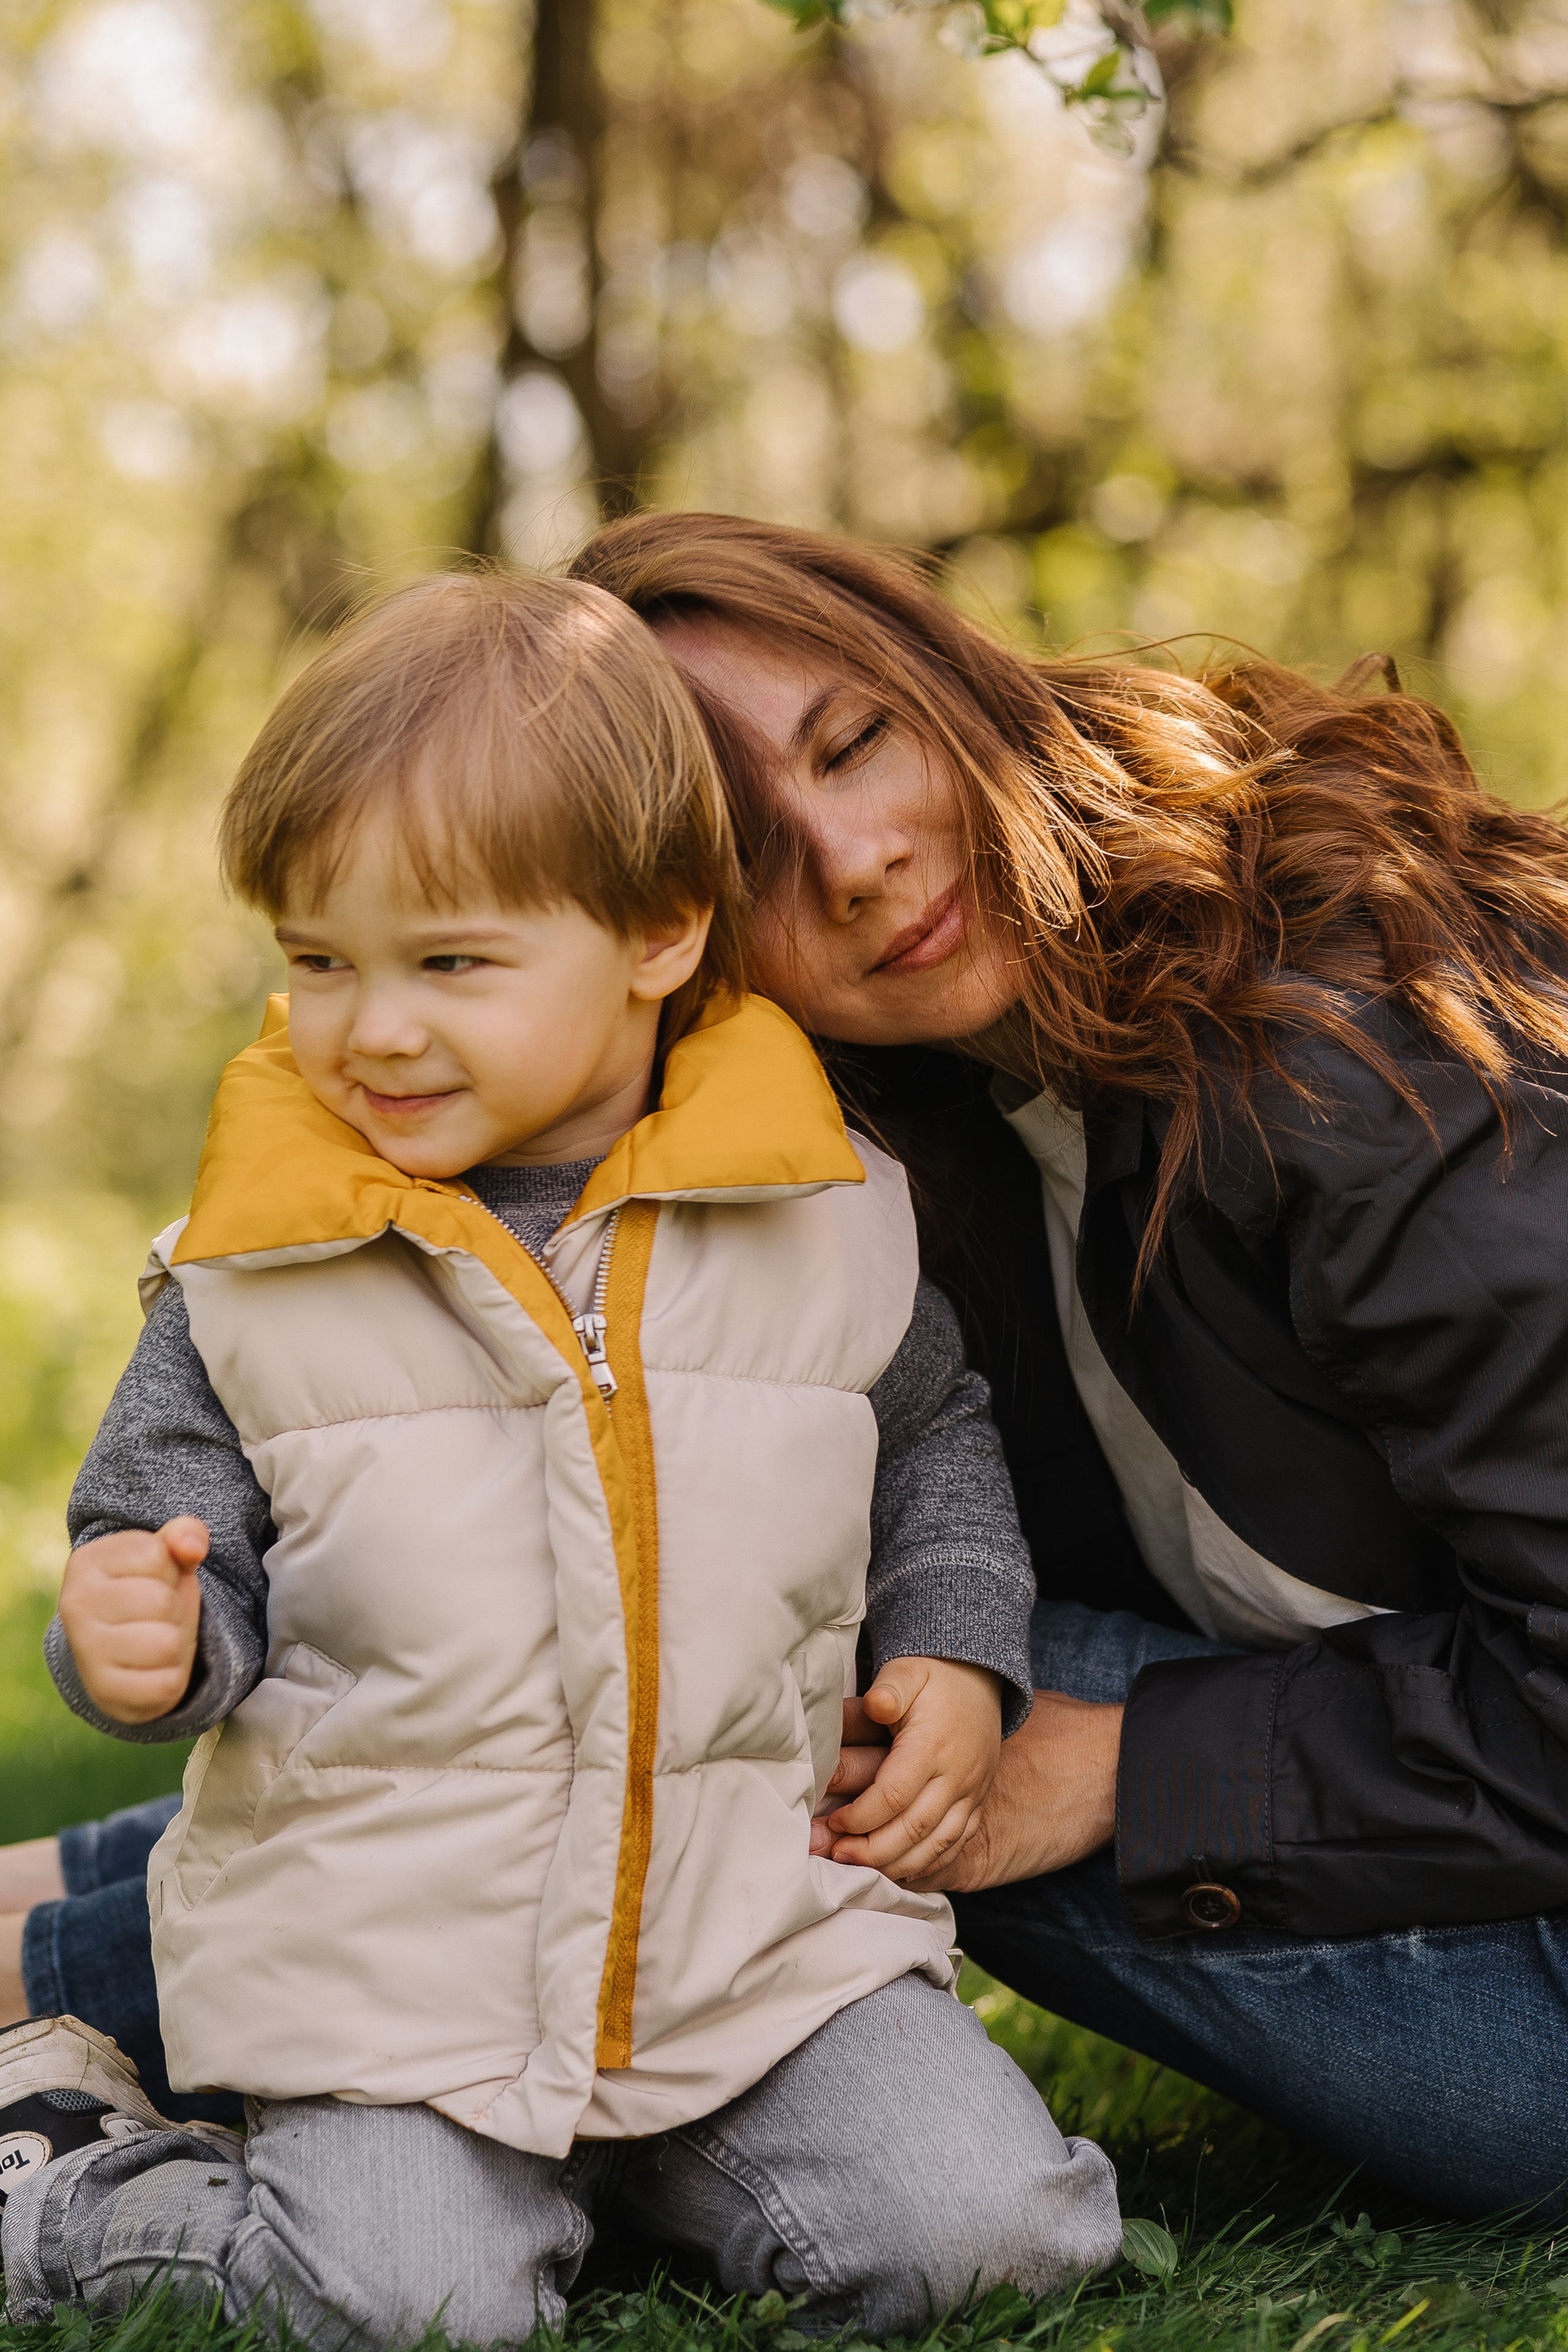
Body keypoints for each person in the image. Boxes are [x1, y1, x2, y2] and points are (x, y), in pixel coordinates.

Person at [0, 571, 1120, 2342]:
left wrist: (959, 1649)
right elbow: (161, 1533)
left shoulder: (825, 1214)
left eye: (449, 962)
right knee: (412, 2308)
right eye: (317, 962)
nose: (369, 1026)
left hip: (757, 1967)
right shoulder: (255, 1262)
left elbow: (934, 1452)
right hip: (397, 1996)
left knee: (993, 2236)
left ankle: (641, 2189)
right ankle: (69, 2186)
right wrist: (137, 1635)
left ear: (661, 935)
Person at [565, 513, 1568, 2222]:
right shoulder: (938, 1126)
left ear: (944, 677)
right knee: (764, 1620)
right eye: (747, 859)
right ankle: (72, 1933)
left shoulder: (1358, 1048)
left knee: (801, 1674)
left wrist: (1116, 1767)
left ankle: (106, 1957)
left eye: (856, 740)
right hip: (1454, 1857)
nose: (859, 861)